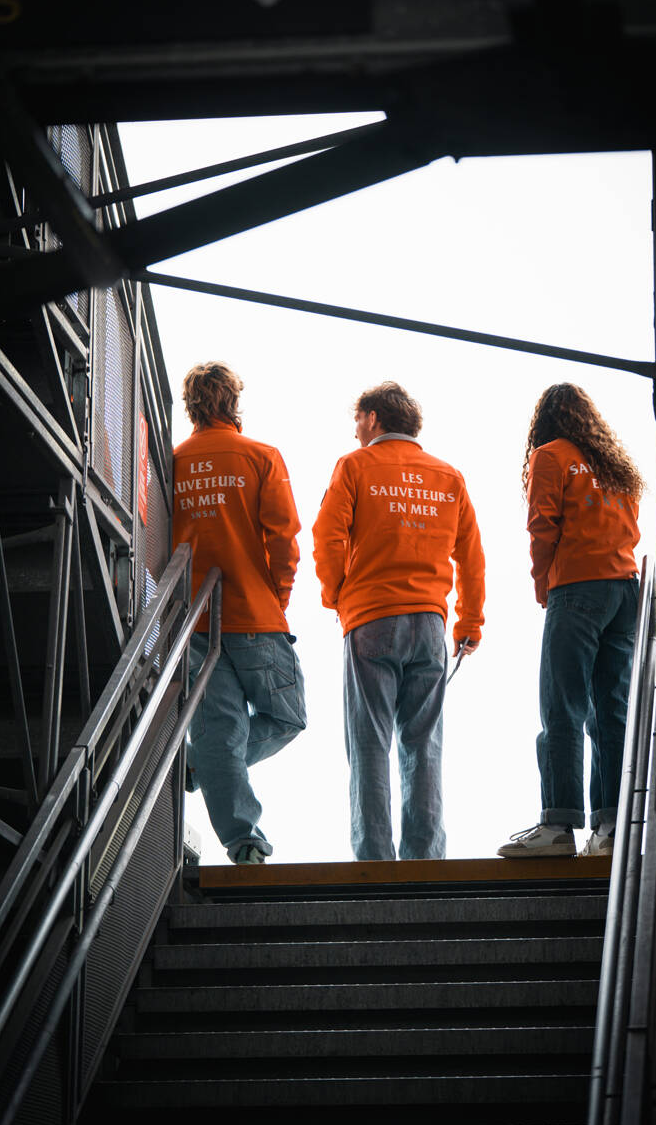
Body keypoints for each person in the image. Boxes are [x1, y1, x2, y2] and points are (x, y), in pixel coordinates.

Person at [312, 381, 485, 861]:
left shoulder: (355, 466)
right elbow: (471, 556)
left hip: (371, 618)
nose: (355, 431)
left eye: (357, 420)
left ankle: (375, 861)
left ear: (373, 417)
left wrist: (337, 595)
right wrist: (470, 621)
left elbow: (327, 536)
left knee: (369, 741)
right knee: (424, 743)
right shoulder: (448, 477)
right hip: (430, 624)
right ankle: (424, 861)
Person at [498, 383, 643, 859]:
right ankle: (610, 830)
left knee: (562, 708)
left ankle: (558, 826)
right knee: (611, 714)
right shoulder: (614, 464)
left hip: (577, 588)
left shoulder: (549, 456)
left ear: (545, 420)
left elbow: (542, 525)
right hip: (625, 590)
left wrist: (542, 582)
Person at [173, 361, 306, 864]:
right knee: (288, 717)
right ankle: (207, 769)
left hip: (194, 620)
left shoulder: (171, 463)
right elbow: (284, 540)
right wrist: (278, 597)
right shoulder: (260, 457)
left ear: (191, 405)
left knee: (219, 733)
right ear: (233, 401)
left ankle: (241, 837)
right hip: (254, 613)